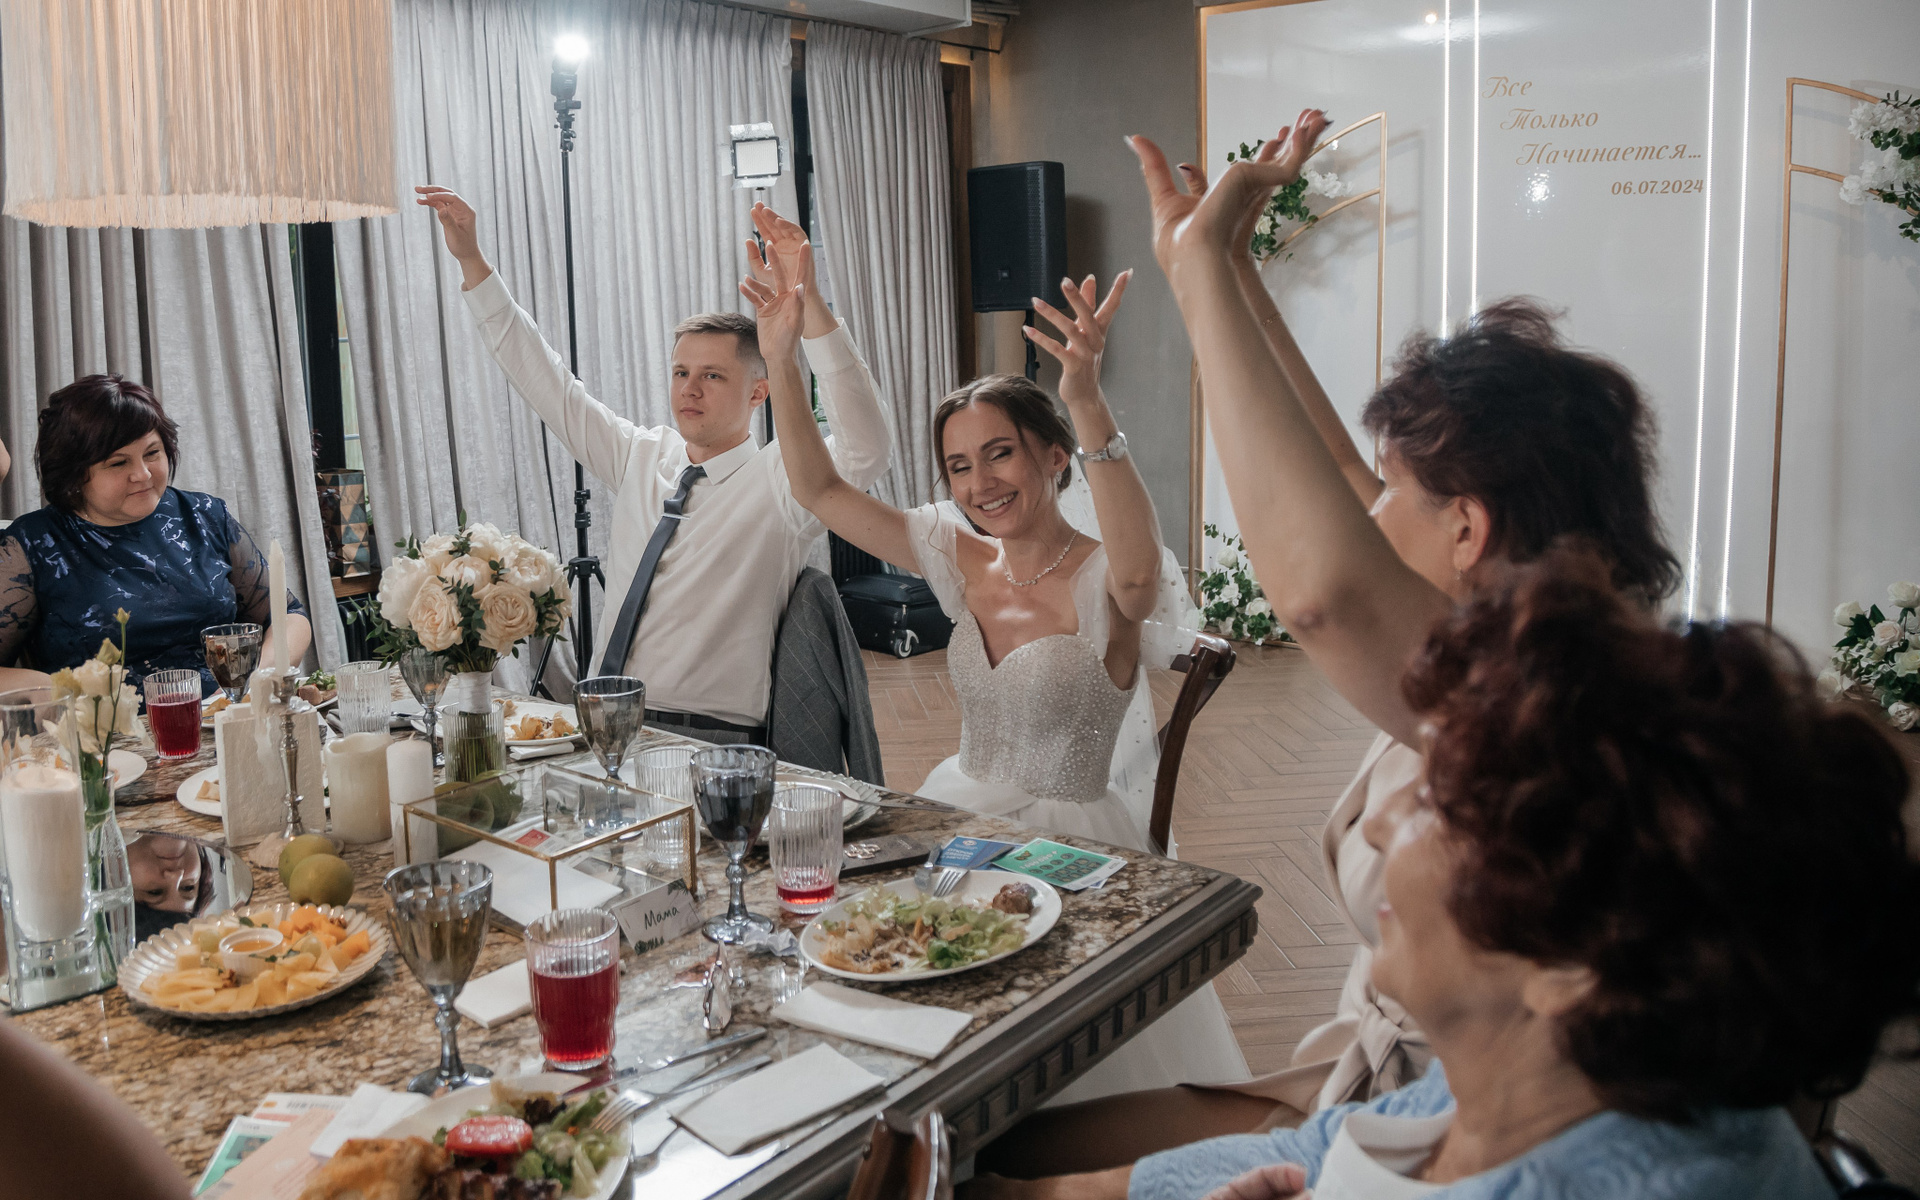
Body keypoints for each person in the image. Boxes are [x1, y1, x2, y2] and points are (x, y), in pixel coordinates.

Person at [974, 550, 1920, 1200]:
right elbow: (1321, 1149)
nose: (1383, 820)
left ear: (1573, 962)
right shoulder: (1510, 1085)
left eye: (1441, 804)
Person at [739, 214, 1247, 1099]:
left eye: (1000, 453)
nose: (981, 484)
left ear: (1055, 457)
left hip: (1074, 841)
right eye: (960, 466)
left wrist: (1086, 396)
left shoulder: (1108, 578)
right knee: (909, 988)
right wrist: (784, 354)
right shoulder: (955, 555)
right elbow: (818, 487)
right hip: (964, 813)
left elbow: (1138, 571)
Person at [417, 188, 892, 744]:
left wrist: (811, 312)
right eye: (681, 372)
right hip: (595, 721)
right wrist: (472, 261)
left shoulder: (786, 481)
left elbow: (866, 447)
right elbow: (547, 383)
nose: (690, 389)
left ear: (758, 392)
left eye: (712, 375)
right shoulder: (641, 454)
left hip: (706, 738)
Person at [0, 375, 311, 694]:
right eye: (118, 463)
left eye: (152, 453)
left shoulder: (204, 515)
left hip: (222, 710)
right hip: (111, 723)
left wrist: (257, 679)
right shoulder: (33, 543)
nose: (143, 474)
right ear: (73, 474)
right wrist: (60, 690)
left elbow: (289, 616)